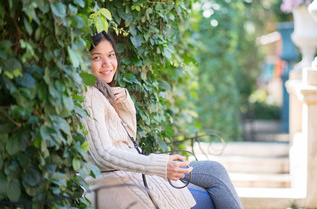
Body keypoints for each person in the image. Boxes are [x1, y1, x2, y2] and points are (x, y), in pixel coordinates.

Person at [81, 30, 244, 209]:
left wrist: (126, 104)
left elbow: (128, 142)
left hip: (135, 177)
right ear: (84, 61)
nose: (107, 63)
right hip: (125, 184)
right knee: (210, 195)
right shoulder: (89, 94)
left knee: (215, 171)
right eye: (97, 57)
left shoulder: (101, 93)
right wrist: (159, 165)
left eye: (111, 55)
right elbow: (103, 154)